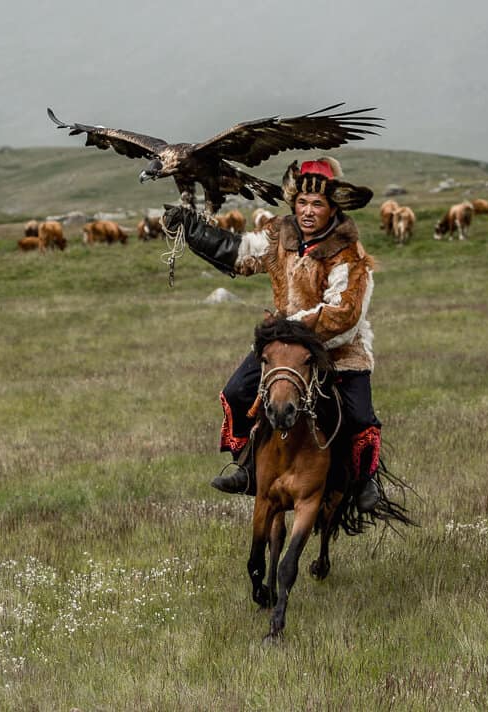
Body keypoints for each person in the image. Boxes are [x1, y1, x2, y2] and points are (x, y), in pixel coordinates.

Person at [164, 157, 385, 512]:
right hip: (283, 345)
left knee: (359, 416)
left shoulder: (348, 252)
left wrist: (293, 328)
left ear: (332, 208)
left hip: (337, 348)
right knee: (237, 392)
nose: (308, 211)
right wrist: (194, 231)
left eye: (317, 204)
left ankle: (363, 483)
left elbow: (344, 313)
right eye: (301, 203)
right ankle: (248, 468)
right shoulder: (280, 233)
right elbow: (240, 253)